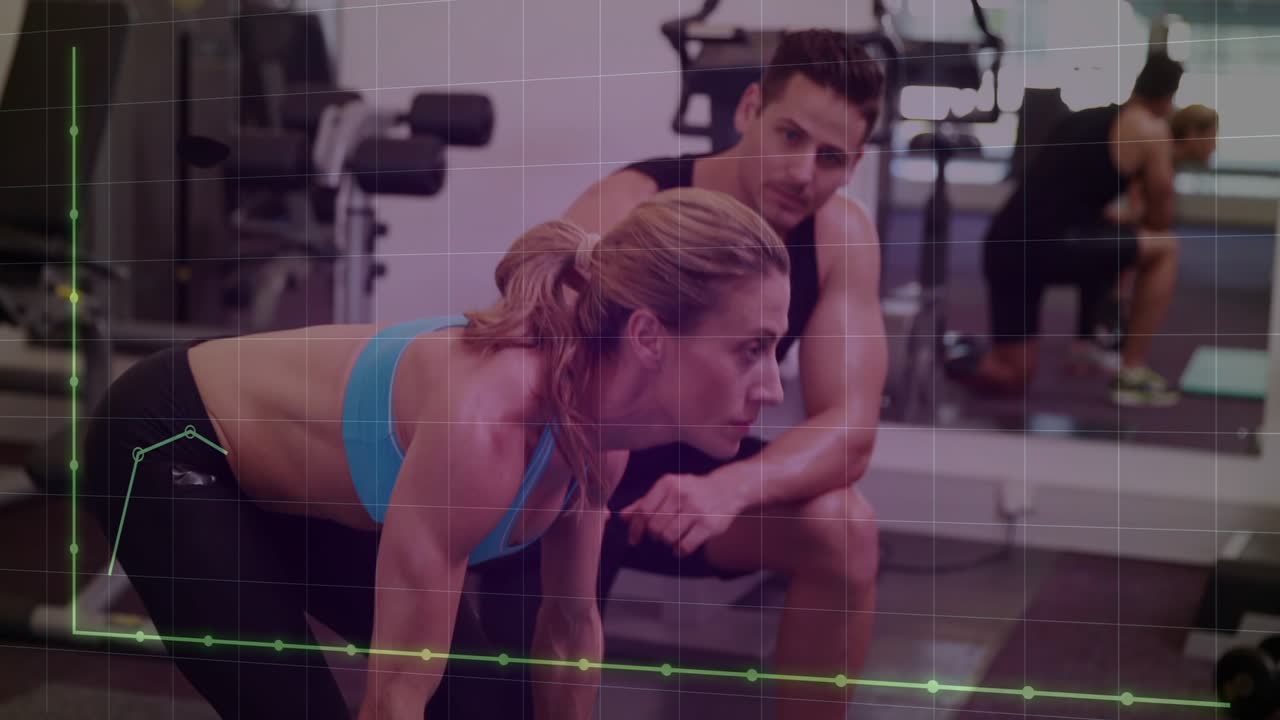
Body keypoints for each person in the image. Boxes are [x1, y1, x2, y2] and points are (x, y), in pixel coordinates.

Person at [83, 188, 792, 720]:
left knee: (490, 705)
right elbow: (395, 696)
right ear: (647, 337)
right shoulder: (489, 423)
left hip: (290, 486)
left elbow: (571, 627)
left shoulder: (599, 440)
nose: (772, 385)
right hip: (170, 441)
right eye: (751, 350)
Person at [468, 28, 888, 720]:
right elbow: (517, 353)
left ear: (855, 163)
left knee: (845, 529)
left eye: (831, 157)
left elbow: (852, 431)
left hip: (695, 477)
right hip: (571, 466)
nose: (804, 172)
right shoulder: (633, 201)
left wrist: (730, 486)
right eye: (789, 135)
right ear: (748, 109)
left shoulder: (839, 235)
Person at [952, 53, 1188, 407]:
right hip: (1045, 247)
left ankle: (948, 352)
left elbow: (1061, 194)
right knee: (1164, 247)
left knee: (1012, 375)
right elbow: (1160, 218)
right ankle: (1132, 372)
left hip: (1007, 244)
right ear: (1169, 97)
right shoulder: (1151, 130)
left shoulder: (1082, 120)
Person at [1072, 102, 1220, 376]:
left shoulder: (1166, 160)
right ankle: (1107, 344)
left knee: (1145, 244)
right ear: (1191, 134)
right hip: (1088, 224)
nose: (1214, 146)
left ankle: (1097, 338)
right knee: (1147, 248)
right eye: (1212, 136)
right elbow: (1129, 206)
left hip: (1103, 222)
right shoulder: (1156, 153)